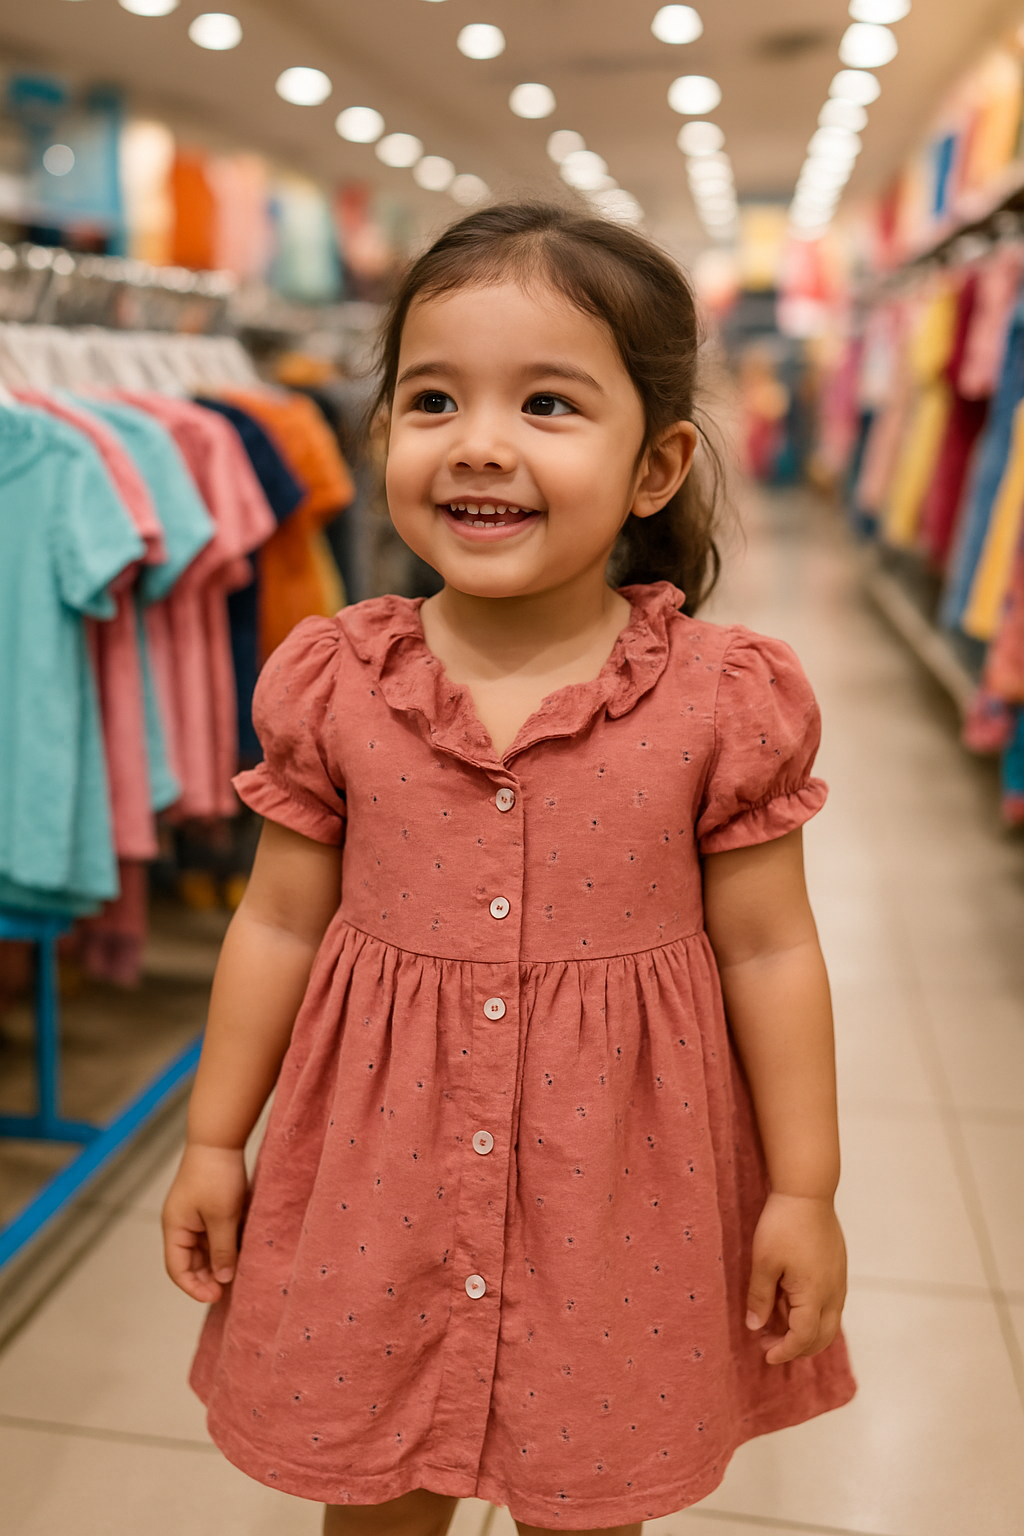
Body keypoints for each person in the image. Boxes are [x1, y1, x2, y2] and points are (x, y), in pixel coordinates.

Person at [163, 201, 855, 1536]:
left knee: (591, 1494)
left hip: (622, 1188)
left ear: (655, 466)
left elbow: (772, 948)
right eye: (432, 399)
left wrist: (806, 1188)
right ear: (382, 441)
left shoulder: (721, 701)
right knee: (373, 1477)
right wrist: (210, 1138)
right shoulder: (337, 679)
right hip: (375, 1171)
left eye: (548, 403)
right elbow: (279, 924)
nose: (479, 443)